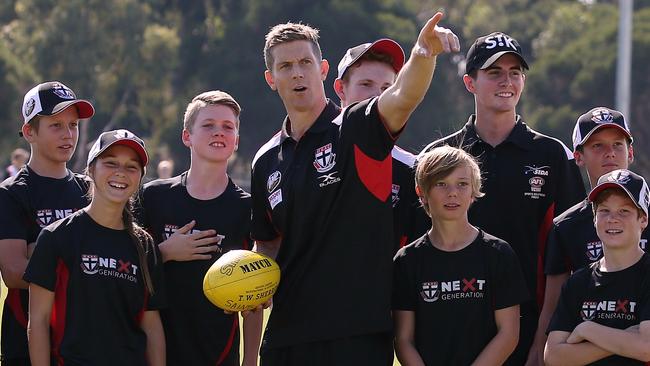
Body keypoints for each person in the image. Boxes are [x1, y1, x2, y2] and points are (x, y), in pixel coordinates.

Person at [251, 12, 459, 365]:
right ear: (272, 79)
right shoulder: (265, 159)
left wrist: (424, 53)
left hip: (355, 335)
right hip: (285, 335)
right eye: (286, 66)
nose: (297, 72)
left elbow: (403, 97)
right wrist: (250, 279)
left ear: (323, 69)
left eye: (305, 62)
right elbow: (268, 241)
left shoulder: (355, 129)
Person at [419, 32, 586, 364]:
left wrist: (545, 336)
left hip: (528, 332)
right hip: (446, 325)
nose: (506, 81)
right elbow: (416, 248)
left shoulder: (552, 155)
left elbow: (570, 255)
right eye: (494, 73)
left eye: (515, 72)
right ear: (470, 83)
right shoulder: (437, 157)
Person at [139, 91, 261, 366]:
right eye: (208, 125)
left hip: (218, 355)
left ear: (236, 141)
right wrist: (164, 253)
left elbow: (253, 297)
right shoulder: (153, 197)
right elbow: (126, 270)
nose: (218, 132)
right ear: (187, 137)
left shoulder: (248, 208)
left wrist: (251, 360)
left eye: (227, 127)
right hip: (154, 352)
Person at [25, 129, 165, 366]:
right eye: (110, 163)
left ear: (141, 176)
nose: (121, 173)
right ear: (91, 170)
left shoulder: (145, 244)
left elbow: (151, 326)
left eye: (132, 167)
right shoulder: (57, 237)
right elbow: (38, 321)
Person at [393, 145, 528, 365]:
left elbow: (508, 334)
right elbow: (403, 339)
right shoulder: (406, 261)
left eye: (462, 184)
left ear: (475, 190)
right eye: (441, 184)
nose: (452, 193)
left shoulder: (498, 254)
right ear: (421, 192)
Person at [532, 107, 646, 364]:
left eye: (618, 144)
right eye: (597, 146)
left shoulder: (645, 212)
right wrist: (540, 352)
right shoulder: (566, 226)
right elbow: (552, 305)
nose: (610, 153)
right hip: (585, 354)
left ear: (630, 151)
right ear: (579, 157)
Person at [0, 81, 94, 366]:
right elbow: (15, 273)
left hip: (84, 342)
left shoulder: (90, 189)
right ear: (30, 131)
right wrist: (85, 263)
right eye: (56, 125)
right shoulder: (12, 193)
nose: (68, 135)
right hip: (26, 343)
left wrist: (38, 250)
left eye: (73, 125)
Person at [545, 169, 650, 365]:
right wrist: (627, 338)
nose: (612, 218)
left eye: (624, 211)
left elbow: (646, 349)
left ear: (643, 219)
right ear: (594, 219)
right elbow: (554, 356)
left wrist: (588, 330)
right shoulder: (579, 281)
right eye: (604, 210)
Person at [333, 38, 429, 250]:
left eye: (387, 87)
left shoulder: (411, 168)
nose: (377, 96)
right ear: (340, 89)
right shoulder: (310, 154)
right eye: (366, 84)